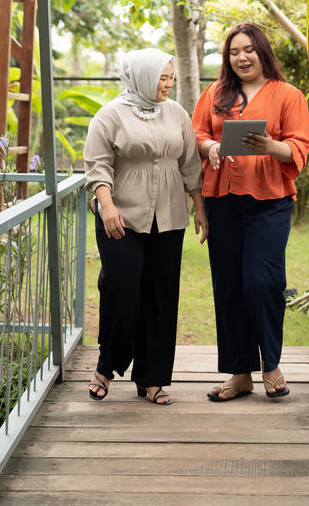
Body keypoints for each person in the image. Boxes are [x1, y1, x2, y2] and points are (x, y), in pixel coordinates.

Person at [193, 22, 309, 402]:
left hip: (269, 201)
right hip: (222, 199)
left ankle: (271, 364)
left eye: (248, 50)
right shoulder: (215, 93)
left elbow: (299, 147)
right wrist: (211, 146)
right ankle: (239, 373)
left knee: (261, 282)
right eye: (233, 52)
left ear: (262, 52)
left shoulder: (288, 95)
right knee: (228, 286)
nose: (241, 58)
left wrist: (269, 146)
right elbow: (195, 134)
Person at [83, 47, 207, 406]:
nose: (167, 85)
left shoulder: (177, 114)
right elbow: (97, 166)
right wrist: (106, 207)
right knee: (121, 288)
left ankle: (151, 379)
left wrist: (199, 208)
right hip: (121, 214)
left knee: (160, 295)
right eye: (161, 78)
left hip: (168, 214)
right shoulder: (109, 116)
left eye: (170, 78)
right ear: (141, 78)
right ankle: (107, 366)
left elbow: (189, 164)